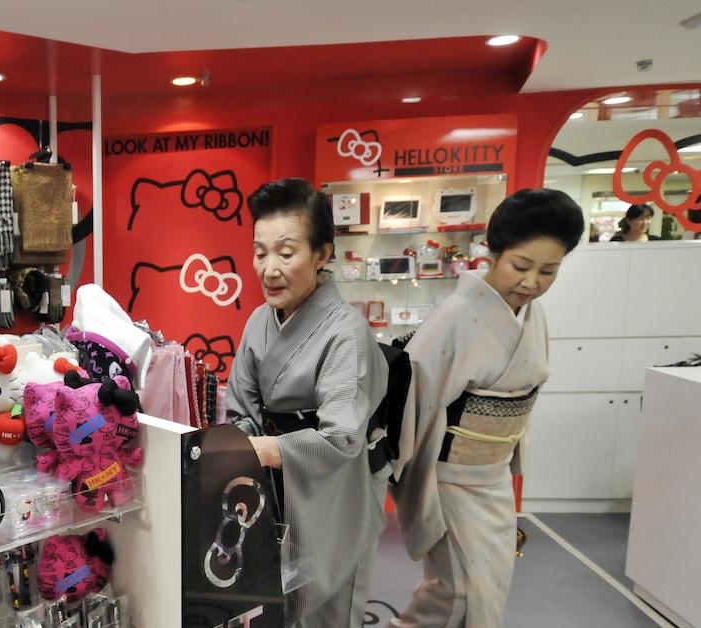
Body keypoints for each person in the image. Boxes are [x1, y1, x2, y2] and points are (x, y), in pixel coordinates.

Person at [389, 189, 585, 627]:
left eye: (548, 271)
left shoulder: (534, 317)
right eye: (521, 266)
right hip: (450, 482)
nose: (532, 282)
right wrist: (405, 480)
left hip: (493, 479)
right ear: (492, 253)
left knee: (488, 589)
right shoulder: (454, 317)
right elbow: (410, 404)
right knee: (459, 592)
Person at [226, 178, 389, 627]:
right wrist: (246, 446)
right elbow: (241, 408)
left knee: (330, 610)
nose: (269, 268)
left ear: (322, 254)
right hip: (276, 484)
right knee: (278, 607)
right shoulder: (260, 321)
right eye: (260, 252)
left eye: (286, 251)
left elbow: (340, 437)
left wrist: (265, 450)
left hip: (336, 481)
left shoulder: (344, 333)